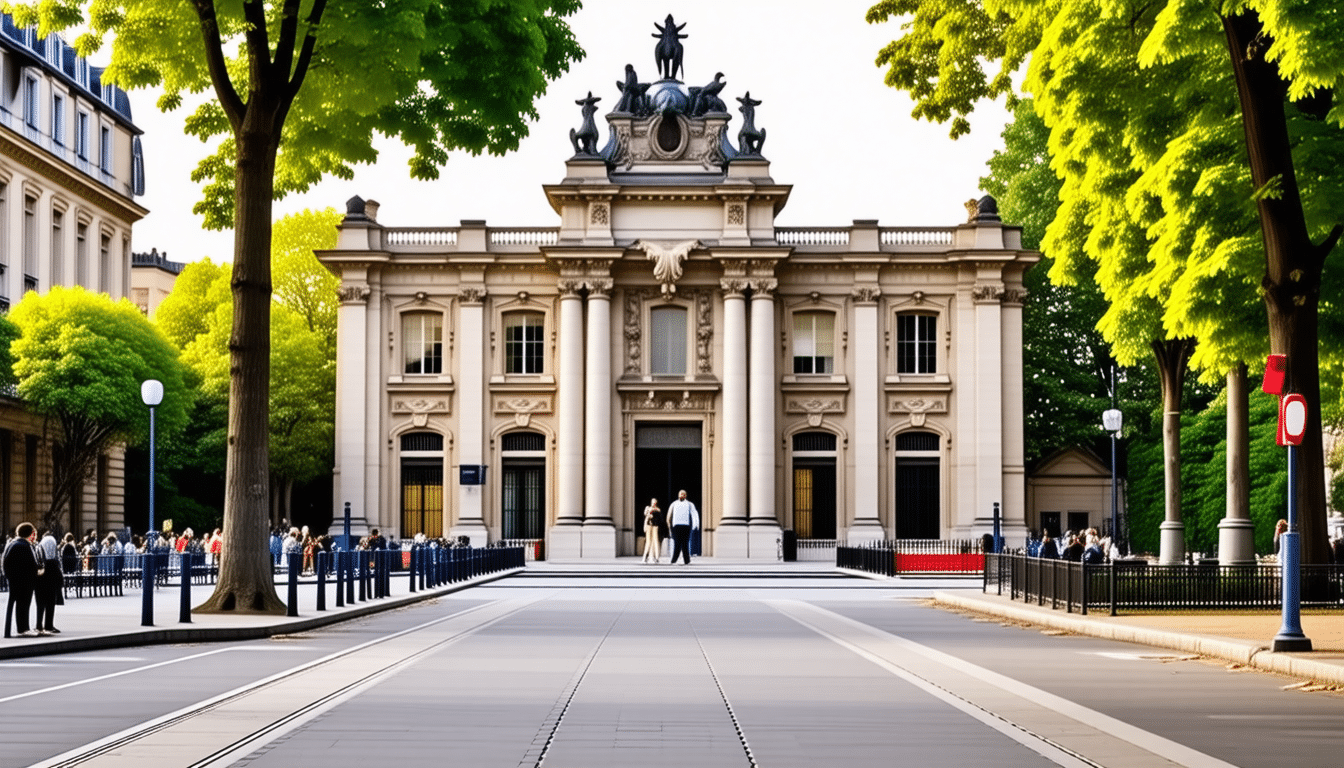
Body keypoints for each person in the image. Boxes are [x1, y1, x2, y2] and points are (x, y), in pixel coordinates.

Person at [3, 523, 41, 637]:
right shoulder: (24, 545)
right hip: (24, 581)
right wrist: (37, 572)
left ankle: (21, 629)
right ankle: (24, 629)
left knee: (19, 605)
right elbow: (30, 565)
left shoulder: (12, 543)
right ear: (29, 533)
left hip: (14, 580)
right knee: (24, 605)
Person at [35, 529, 62, 634]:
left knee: (40, 602)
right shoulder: (53, 542)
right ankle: (49, 625)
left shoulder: (39, 546)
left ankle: (39, 625)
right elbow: (57, 559)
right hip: (52, 574)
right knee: (50, 602)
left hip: (41, 576)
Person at [666, 490, 699, 565]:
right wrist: (669, 525)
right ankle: (674, 560)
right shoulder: (674, 503)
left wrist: (695, 524)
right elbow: (669, 514)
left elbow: (694, 514)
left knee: (685, 544)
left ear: (686, 495)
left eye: (683, 494)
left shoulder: (689, 504)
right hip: (676, 526)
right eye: (681, 494)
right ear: (678, 495)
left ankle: (687, 560)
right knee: (677, 543)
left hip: (686, 526)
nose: (682, 495)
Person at [642, 498, 663, 564]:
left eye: (655, 502)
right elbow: (646, 515)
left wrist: (652, 510)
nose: (654, 504)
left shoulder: (657, 509)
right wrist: (645, 525)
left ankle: (656, 557)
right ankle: (645, 557)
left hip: (655, 526)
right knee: (648, 542)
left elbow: (659, 513)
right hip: (649, 525)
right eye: (653, 502)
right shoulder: (648, 508)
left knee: (655, 541)